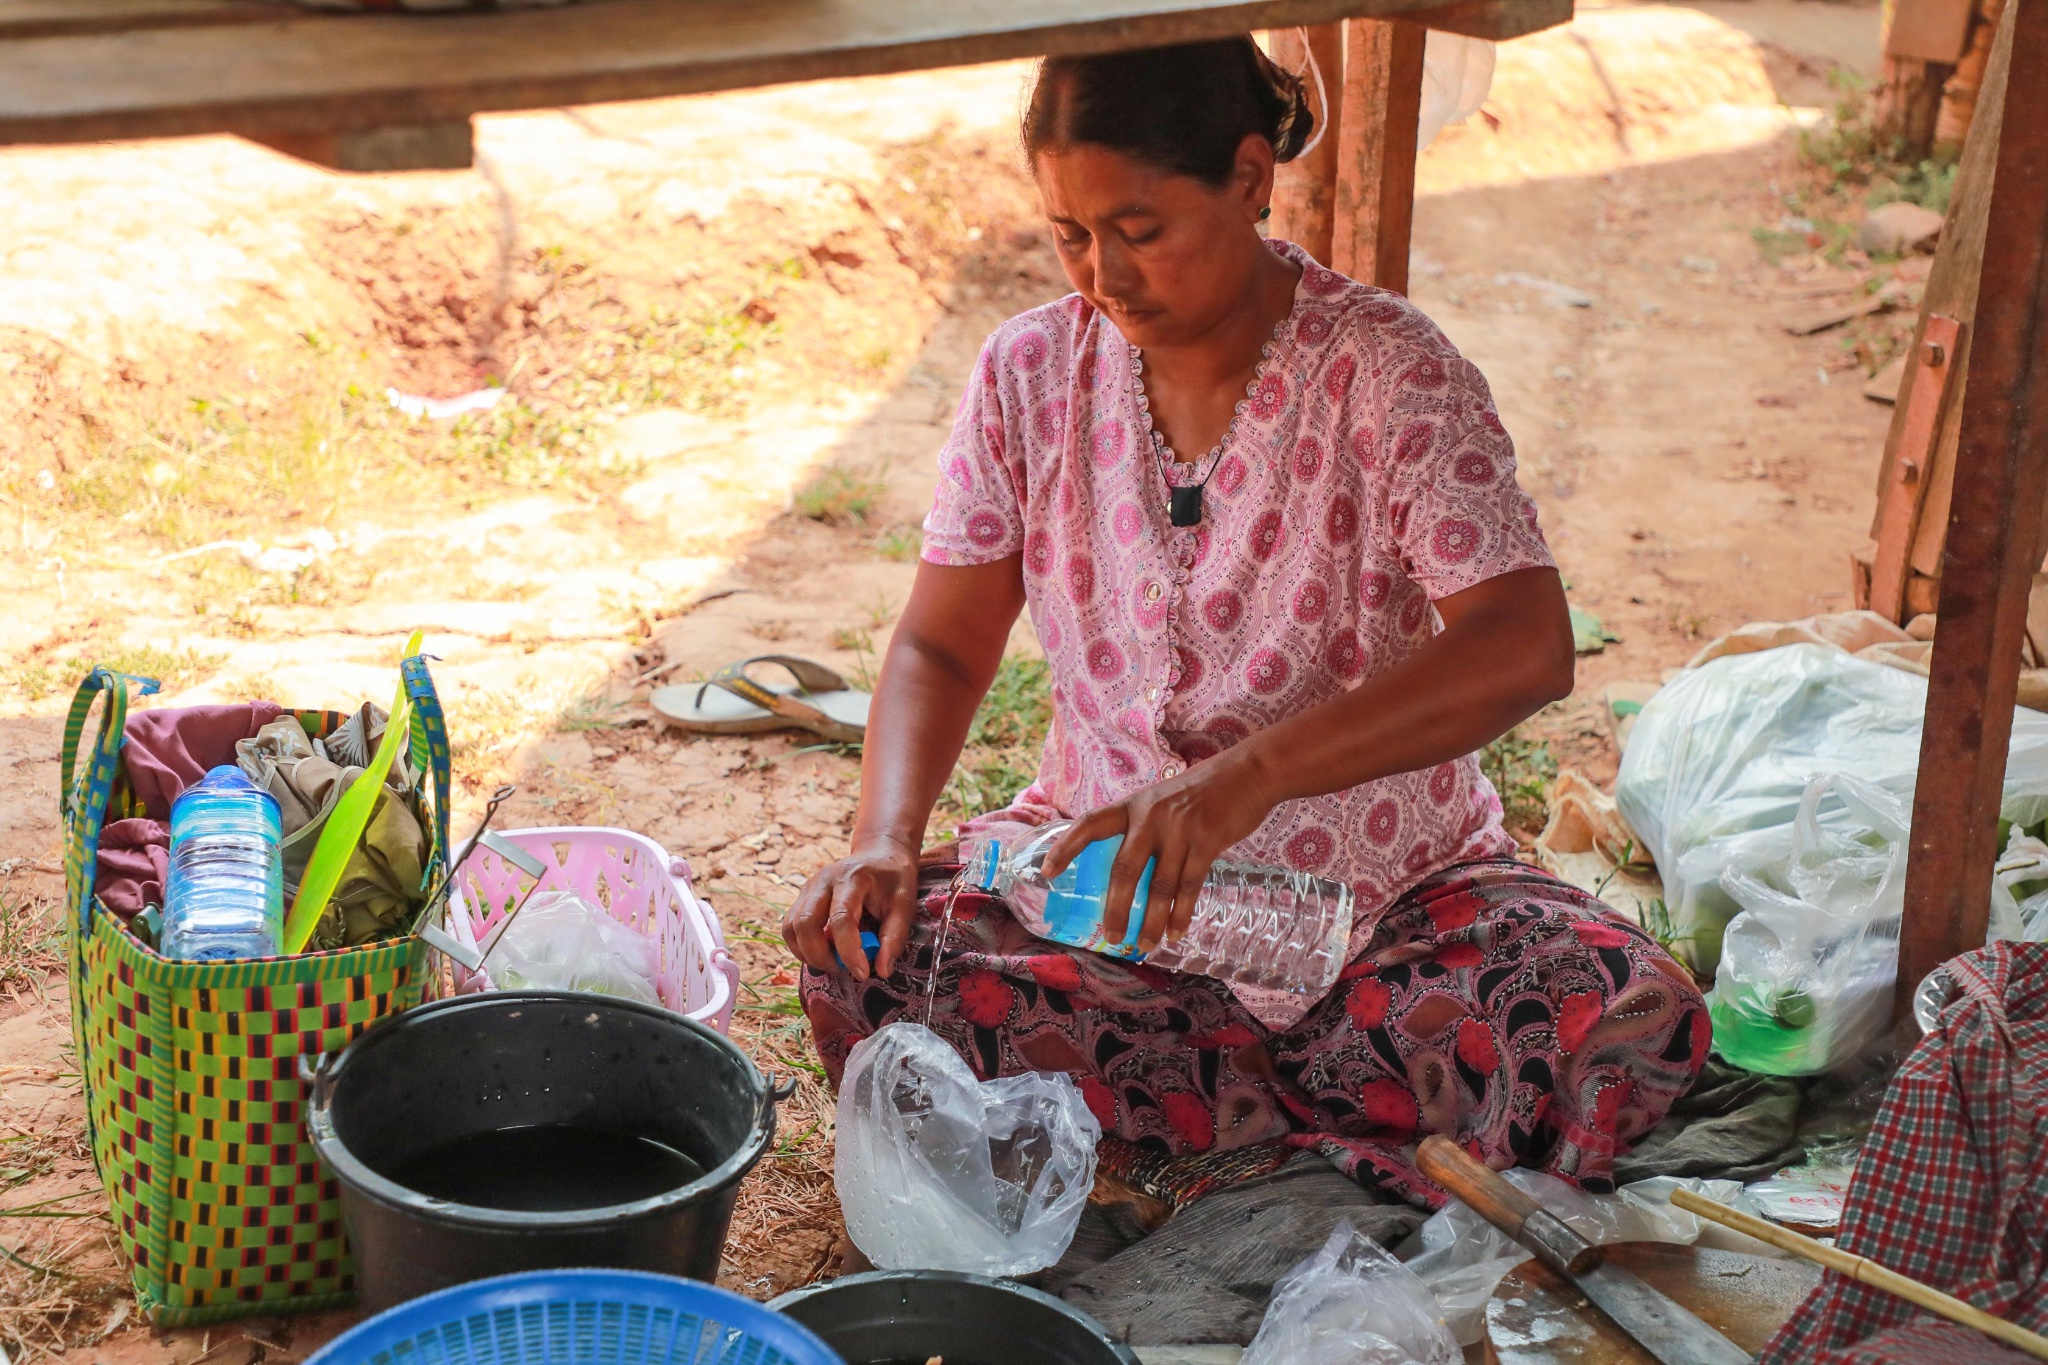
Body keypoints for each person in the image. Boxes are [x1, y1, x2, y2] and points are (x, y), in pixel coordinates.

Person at [784, 37, 1708, 1203]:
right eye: (1068, 234)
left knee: (1615, 1011)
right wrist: (880, 837)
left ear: (1247, 175)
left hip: (1384, 910)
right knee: (868, 968)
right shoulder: (1028, 372)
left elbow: (1523, 644)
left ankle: (1195, 1129)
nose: (1101, 278)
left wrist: (1248, 779)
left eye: (1139, 227)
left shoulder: (1384, 369)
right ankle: (1320, 1131)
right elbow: (937, 641)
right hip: (1104, 910)